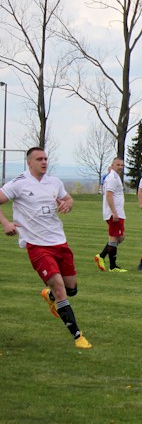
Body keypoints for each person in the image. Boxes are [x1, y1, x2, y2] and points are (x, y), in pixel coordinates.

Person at [0, 147, 92, 349]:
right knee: (60, 287)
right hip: (37, 245)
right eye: (39, 159)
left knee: (71, 289)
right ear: (29, 162)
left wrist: (68, 203)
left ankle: (49, 296)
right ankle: (78, 336)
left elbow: (68, 198)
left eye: (45, 158)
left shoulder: (54, 182)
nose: (44, 162)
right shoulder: (19, 183)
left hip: (59, 242)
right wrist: (6, 223)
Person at [95, 157, 127, 272]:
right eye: (118, 165)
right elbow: (109, 195)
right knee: (115, 237)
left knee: (120, 237)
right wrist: (114, 212)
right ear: (112, 165)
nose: (120, 167)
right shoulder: (112, 178)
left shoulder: (114, 176)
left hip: (118, 212)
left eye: (122, 165)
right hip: (114, 213)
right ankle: (112, 266)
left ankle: (102, 256)